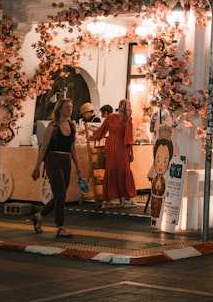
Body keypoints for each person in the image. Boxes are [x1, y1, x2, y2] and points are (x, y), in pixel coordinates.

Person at [31, 99, 81, 238]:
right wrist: (37, 167)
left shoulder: (72, 125)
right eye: (67, 107)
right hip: (53, 160)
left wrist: (77, 166)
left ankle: (39, 215)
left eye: (71, 107)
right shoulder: (52, 127)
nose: (70, 109)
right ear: (59, 109)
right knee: (60, 194)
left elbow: (72, 147)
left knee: (61, 195)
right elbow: (44, 147)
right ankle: (60, 226)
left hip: (66, 160)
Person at [92, 99, 136, 206]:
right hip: (122, 148)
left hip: (110, 146)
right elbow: (129, 139)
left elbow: (100, 132)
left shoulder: (110, 117)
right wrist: (131, 153)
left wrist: (92, 136)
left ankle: (111, 198)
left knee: (111, 170)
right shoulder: (127, 120)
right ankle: (125, 198)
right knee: (123, 170)